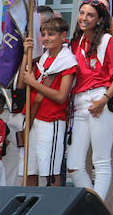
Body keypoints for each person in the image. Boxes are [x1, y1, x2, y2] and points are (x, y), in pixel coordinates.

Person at [66, 0, 113, 203]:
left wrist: (104, 99)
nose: (84, 18)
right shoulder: (76, 42)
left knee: (101, 161)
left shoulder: (107, 41)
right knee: (74, 164)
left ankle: (97, 209)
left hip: (100, 98)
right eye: (82, 13)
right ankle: (94, 204)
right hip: (79, 101)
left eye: (90, 14)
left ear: (100, 19)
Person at [18, 15, 78, 187]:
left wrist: (34, 82)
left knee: (50, 171)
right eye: (43, 34)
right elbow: (22, 83)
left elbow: (61, 96)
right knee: (30, 169)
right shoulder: (42, 58)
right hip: (32, 118)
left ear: (63, 35)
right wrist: (25, 54)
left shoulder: (67, 62)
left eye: (51, 34)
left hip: (51, 120)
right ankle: (29, 207)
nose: (46, 38)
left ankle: (52, 208)